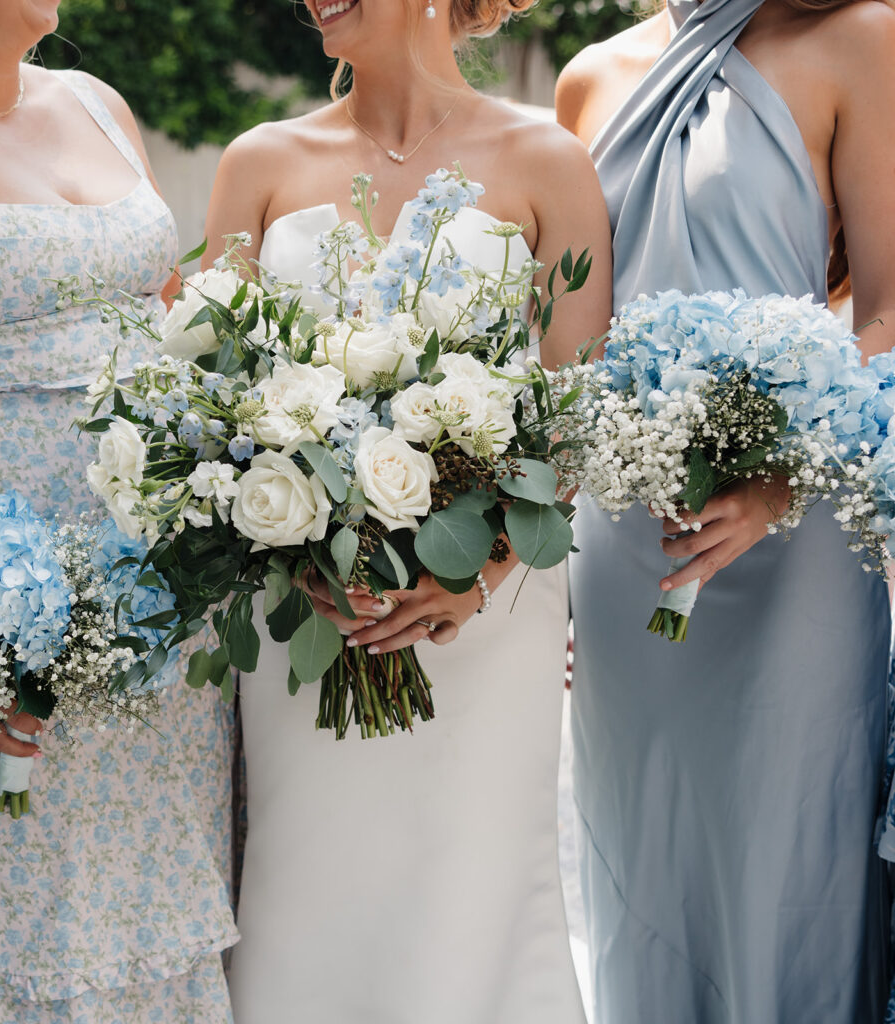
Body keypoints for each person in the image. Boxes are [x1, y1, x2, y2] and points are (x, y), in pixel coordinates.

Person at [202, 2, 612, 1021]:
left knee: (473, 891)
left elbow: (574, 417)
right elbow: (214, 403)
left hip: (487, 613)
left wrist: (476, 576)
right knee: (310, 884)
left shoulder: (546, 160)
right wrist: (298, 548)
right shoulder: (258, 161)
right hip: (304, 601)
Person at [0, 1, 239, 1021]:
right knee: (33, 909)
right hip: (18, 597)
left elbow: (173, 323)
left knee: (166, 898)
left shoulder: (99, 103)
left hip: (166, 588)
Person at [556, 1, 895, 1021]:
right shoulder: (589, 76)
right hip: (628, 540)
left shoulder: (861, 39)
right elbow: (573, 340)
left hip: (801, 533)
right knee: (646, 854)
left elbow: (884, 305)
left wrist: (781, 478)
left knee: (790, 853)